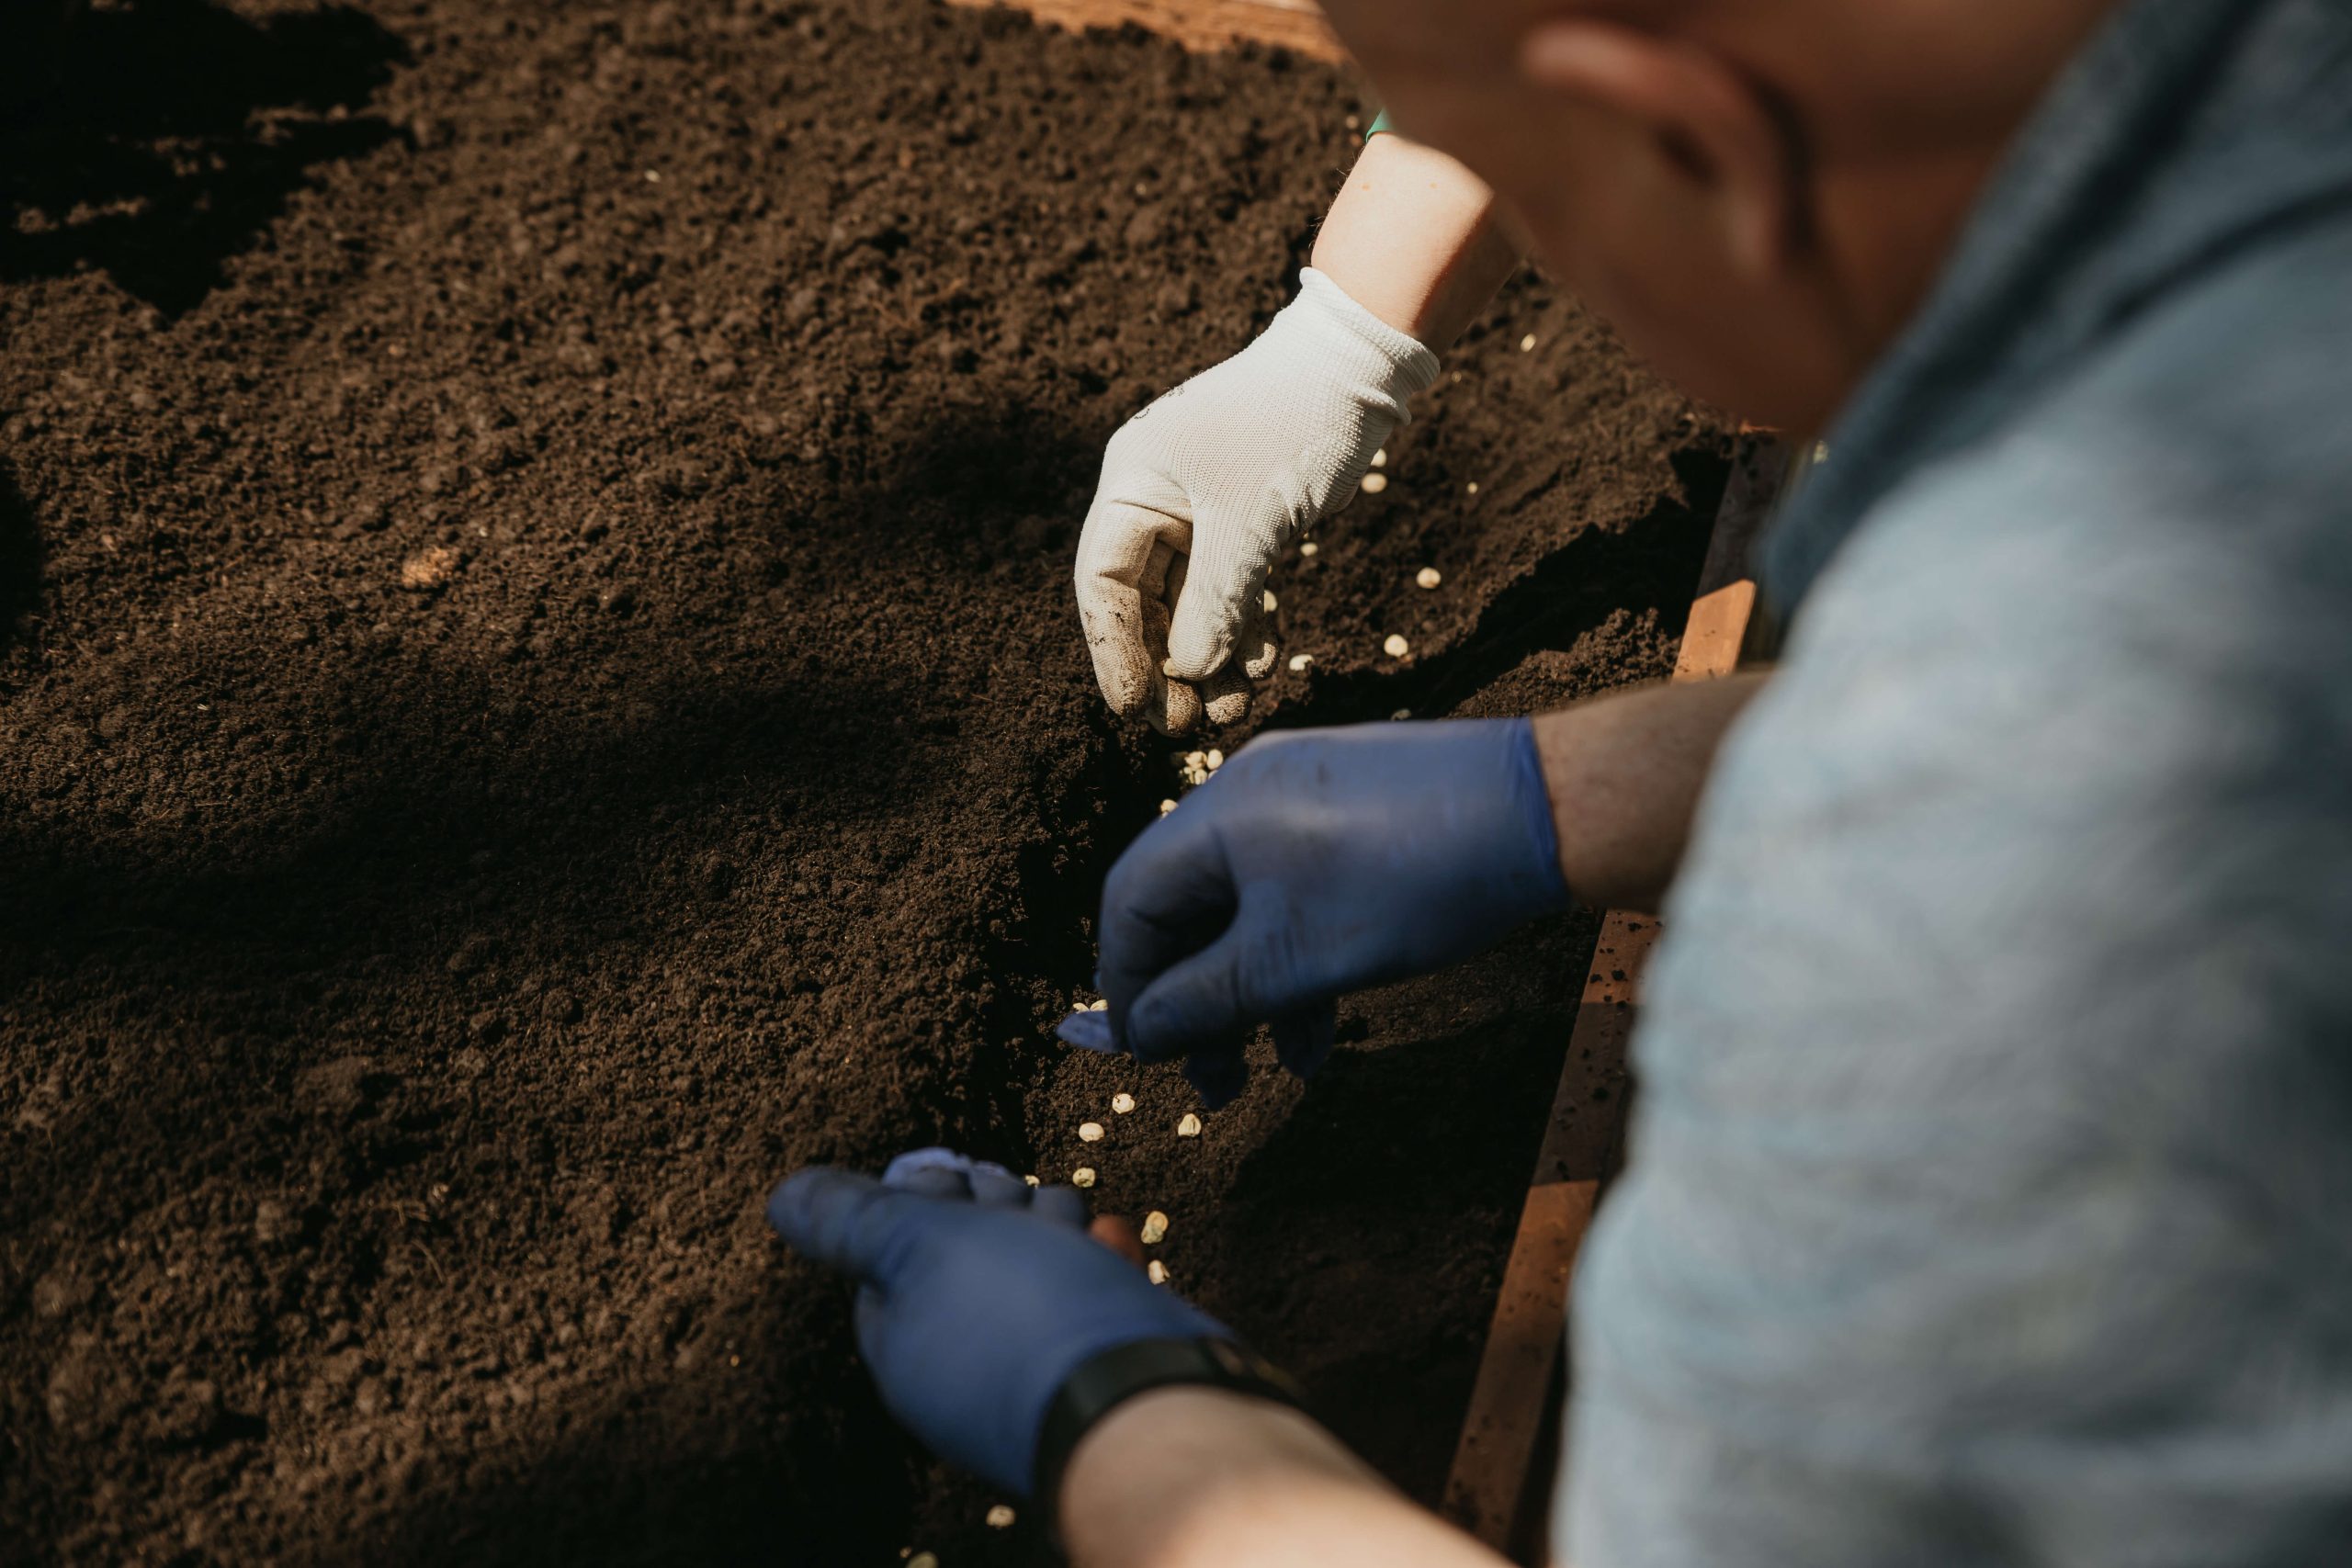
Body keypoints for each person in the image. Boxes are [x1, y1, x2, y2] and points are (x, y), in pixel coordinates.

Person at [773, 0, 2352, 1563]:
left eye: (1518, 190)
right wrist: (1575, 788)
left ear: (1693, 140)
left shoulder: (1953, 958)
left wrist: (1129, 1421)